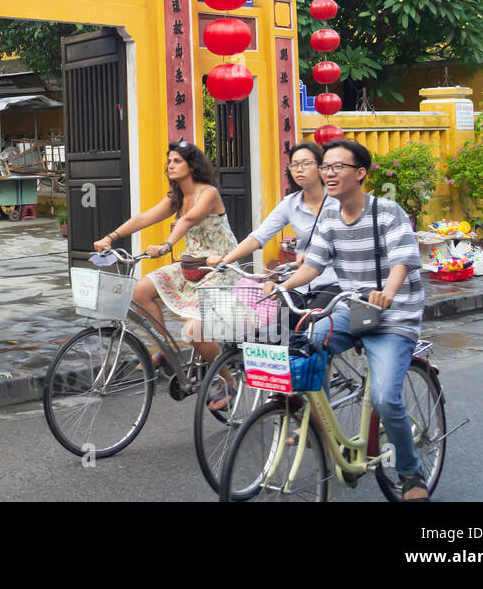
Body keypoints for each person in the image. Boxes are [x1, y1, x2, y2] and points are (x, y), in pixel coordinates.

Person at [265, 138, 431, 502]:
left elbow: (403, 259)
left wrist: (388, 291)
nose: (329, 173)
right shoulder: (328, 216)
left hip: (393, 315)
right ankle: (327, 434)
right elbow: (313, 264)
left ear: (360, 173)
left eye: (337, 167)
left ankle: (409, 471)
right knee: (306, 344)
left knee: (387, 400)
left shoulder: (387, 211)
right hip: (352, 311)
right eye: (326, 167)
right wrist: (279, 285)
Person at [92, 140, 239, 374]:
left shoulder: (208, 193)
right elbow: (144, 218)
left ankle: (227, 381)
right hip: (192, 265)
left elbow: (189, 219)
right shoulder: (177, 197)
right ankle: (167, 349)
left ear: (191, 166)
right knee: (140, 291)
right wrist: (111, 236)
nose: (170, 165)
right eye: (169, 161)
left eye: (177, 161)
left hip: (217, 269)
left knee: (193, 332)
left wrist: (167, 244)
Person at [205, 141, 338, 298]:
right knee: (282, 317)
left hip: (333, 281)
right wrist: (224, 261)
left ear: (321, 167)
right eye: (294, 165)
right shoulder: (290, 203)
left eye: (306, 164)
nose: (299, 169)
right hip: (299, 283)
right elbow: (258, 237)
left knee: (315, 320)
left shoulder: (338, 201)